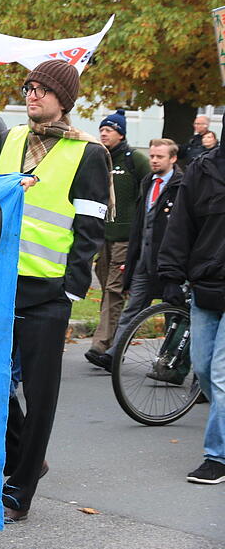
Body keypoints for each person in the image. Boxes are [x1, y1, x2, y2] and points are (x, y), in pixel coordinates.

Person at [0, 59, 110, 522]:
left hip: (48, 291)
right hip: (1, 284)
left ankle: (20, 487)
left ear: (64, 99)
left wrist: (71, 290)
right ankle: (27, 458)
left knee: (40, 394)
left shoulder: (90, 152)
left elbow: (91, 226)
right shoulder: (12, 139)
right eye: (29, 87)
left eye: (43, 89)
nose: (33, 95)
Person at [157, 121, 225, 485]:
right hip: (206, 286)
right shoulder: (203, 170)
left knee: (220, 373)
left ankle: (217, 456)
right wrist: (170, 274)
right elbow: (181, 224)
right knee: (200, 368)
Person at [96, 139, 183, 371]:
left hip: (169, 263)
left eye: (159, 157)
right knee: (132, 309)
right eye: (152, 156)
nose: (154, 160)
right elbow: (139, 226)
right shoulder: (147, 182)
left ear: (172, 159)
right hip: (144, 261)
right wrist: (132, 261)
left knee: (171, 315)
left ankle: (168, 364)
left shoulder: (181, 185)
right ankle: (114, 354)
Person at [86, 109, 149, 368]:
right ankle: (113, 342)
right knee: (107, 290)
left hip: (125, 237)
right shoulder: (100, 157)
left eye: (108, 130)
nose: (103, 133)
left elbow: (148, 192)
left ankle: (101, 344)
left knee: (114, 290)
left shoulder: (135, 159)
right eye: (101, 129)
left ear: (120, 133)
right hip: (102, 236)